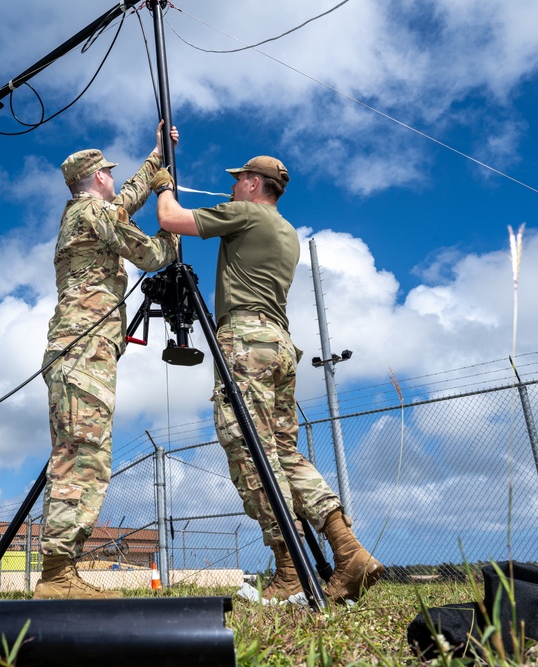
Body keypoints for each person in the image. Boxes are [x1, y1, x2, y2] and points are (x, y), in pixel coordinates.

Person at [151, 156, 384, 605]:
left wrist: (163, 184)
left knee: (251, 451)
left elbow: (170, 219)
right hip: (279, 344)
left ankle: (290, 568)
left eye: (238, 181)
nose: (232, 189)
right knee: (283, 453)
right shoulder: (286, 231)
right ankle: (348, 550)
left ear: (254, 184)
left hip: (245, 341)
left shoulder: (246, 213)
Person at [34, 122, 180, 600]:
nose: (114, 179)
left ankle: (60, 570)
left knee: (79, 453)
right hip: (83, 351)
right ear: (97, 177)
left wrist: (157, 155)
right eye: (109, 173)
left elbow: (129, 197)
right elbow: (151, 254)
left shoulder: (86, 212)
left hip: (78, 350)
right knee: (83, 458)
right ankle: (57, 576)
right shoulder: (94, 213)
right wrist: (171, 218)